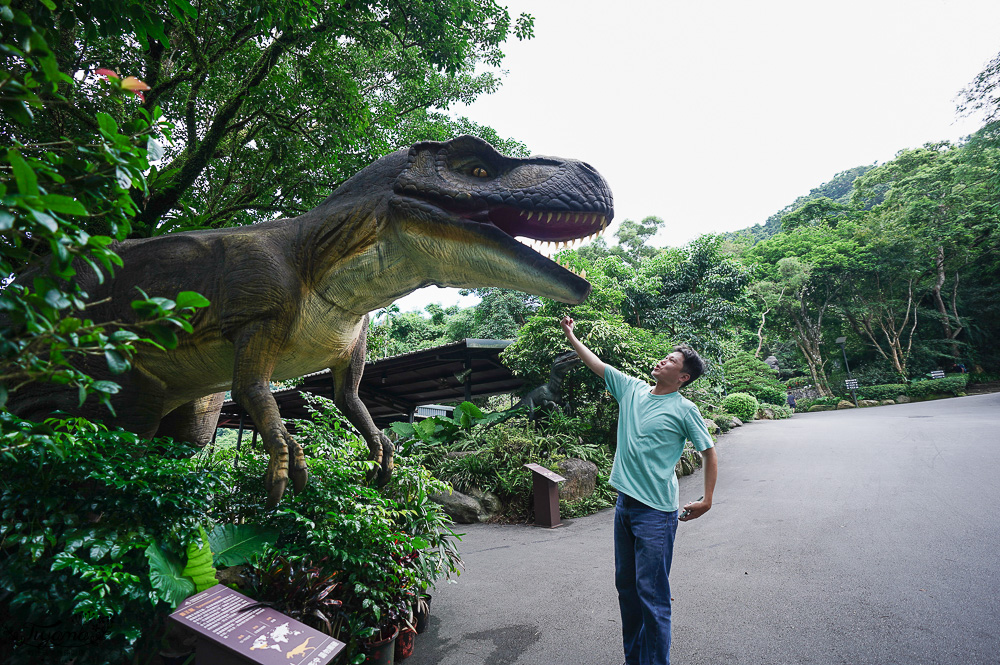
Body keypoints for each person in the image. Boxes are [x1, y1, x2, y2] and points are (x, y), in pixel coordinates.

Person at [560, 316, 717, 665]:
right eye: (666, 356)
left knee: (652, 595)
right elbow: (597, 365)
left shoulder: (684, 409)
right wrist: (571, 335)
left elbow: (708, 451)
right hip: (624, 507)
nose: (664, 361)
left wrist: (707, 499)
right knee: (628, 592)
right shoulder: (631, 388)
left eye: (672, 361)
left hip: (656, 515)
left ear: (683, 377)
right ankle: (636, 660)